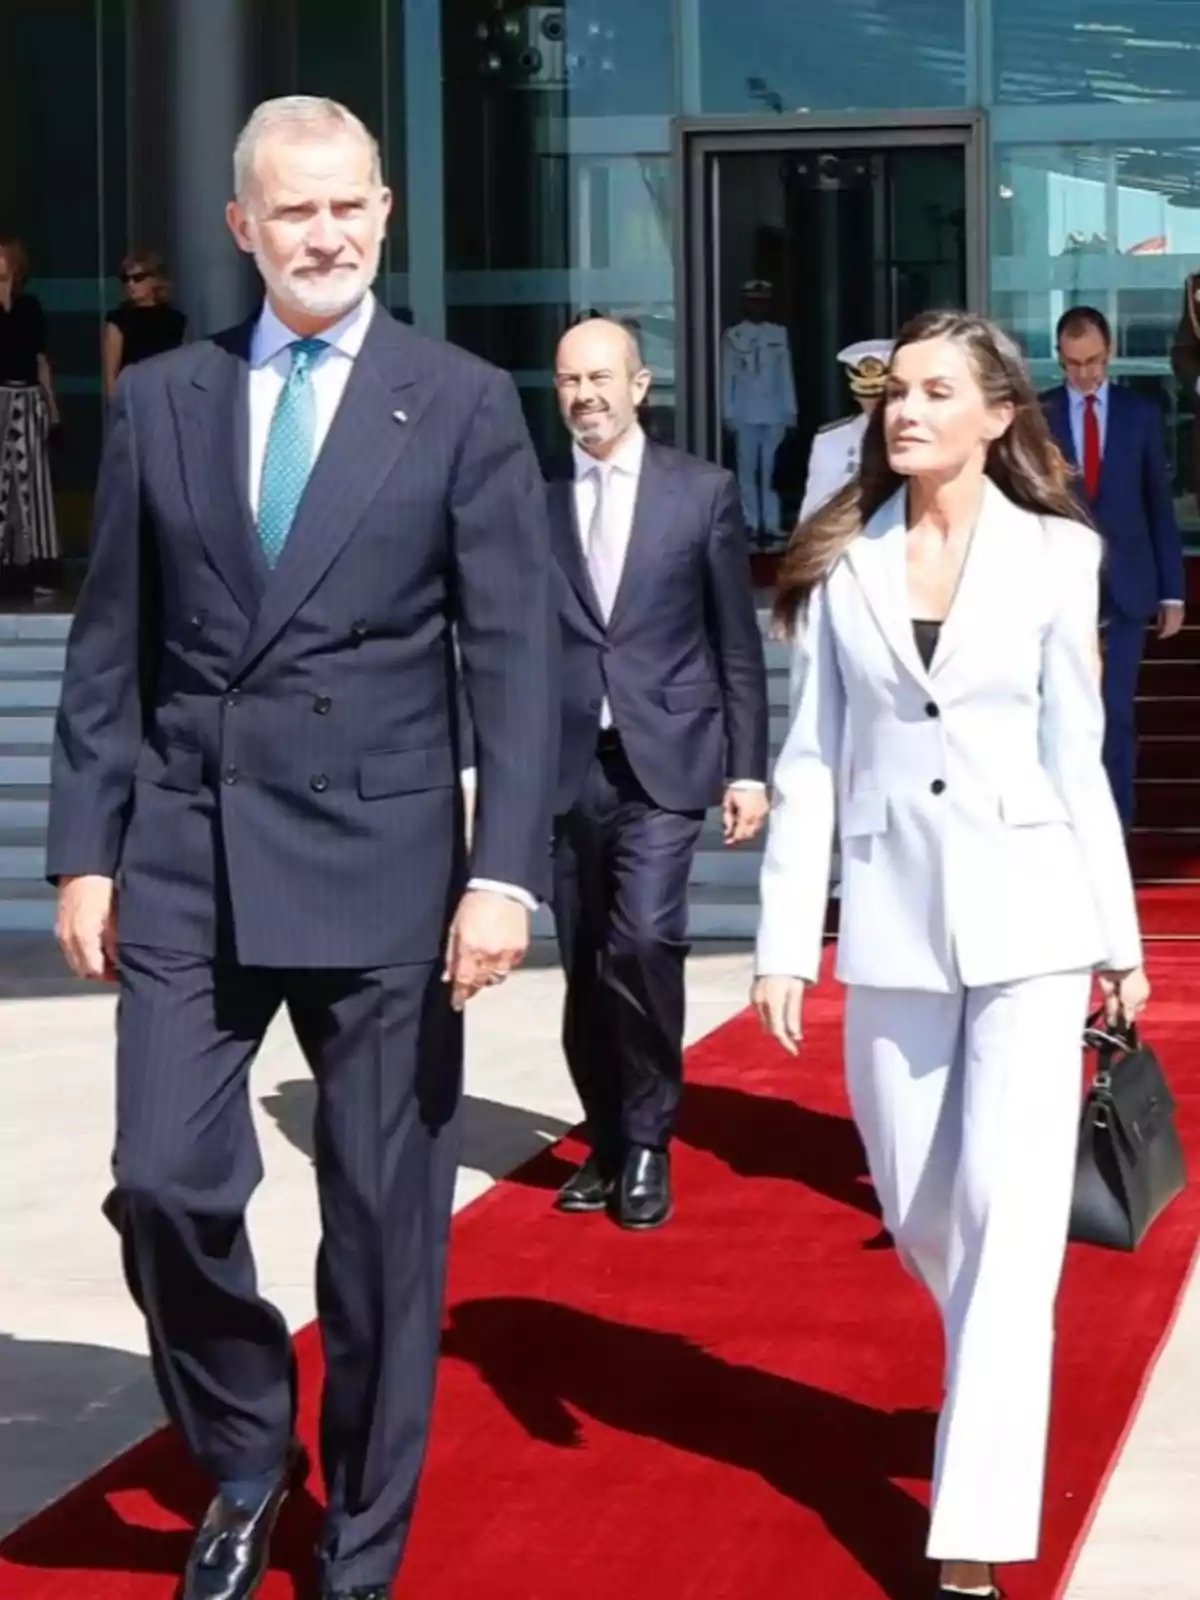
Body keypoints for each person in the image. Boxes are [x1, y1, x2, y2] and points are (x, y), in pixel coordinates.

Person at [47, 95, 556, 1600]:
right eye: (294, 210)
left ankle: (362, 1544)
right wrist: (87, 848)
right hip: (189, 852)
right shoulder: (165, 399)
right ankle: (245, 1448)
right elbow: (110, 642)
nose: (324, 235)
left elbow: (516, 656)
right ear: (242, 227)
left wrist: (502, 872)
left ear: (384, 214)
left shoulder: (459, 400)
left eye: (348, 207)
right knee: (163, 1182)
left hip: (387, 866)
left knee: (385, 1234)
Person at [752, 310, 1148, 1600]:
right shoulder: (843, 561)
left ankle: (971, 1532)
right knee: (924, 1210)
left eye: (935, 392)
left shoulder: (1058, 554)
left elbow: (1076, 755)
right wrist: (783, 941)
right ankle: (992, 1374)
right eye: (897, 394)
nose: (906, 411)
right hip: (891, 920)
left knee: (1011, 1221)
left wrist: (1118, 936)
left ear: (996, 414)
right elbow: (810, 760)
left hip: (1033, 918)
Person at [549, 316, 769, 1228]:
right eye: (570, 381)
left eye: (601, 378)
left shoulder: (700, 492)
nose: (585, 396)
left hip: (666, 761)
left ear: (640, 386)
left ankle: (647, 1139)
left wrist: (747, 769)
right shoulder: (531, 495)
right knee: (583, 961)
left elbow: (735, 641)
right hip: (565, 765)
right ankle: (604, 1138)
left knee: (642, 942)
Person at [1043, 305, 1184, 831]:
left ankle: (1115, 829)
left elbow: (1158, 504)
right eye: (1073, 363)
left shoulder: (1138, 413)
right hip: (1060, 590)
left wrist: (1172, 592)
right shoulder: (1039, 414)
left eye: (1094, 361)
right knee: (1064, 710)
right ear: (1059, 357)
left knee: (1117, 710)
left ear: (1111, 353)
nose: (1084, 373)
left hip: (1128, 585)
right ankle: (1066, 823)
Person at [0, 236, 62, 599]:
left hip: (27, 398)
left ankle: (38, 566)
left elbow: (40, 359)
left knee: (33, 485)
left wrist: (52, 410)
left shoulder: (30, 307)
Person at [721, 279, 797, 544]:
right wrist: (727, 412)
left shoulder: (778, 333)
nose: (757, 307)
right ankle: (751, 521)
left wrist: (790, 410)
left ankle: (772, 523)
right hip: (744, 411)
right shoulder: (734, 335)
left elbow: (785, 374)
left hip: (774, 411)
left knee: (769, 472)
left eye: (762, 302)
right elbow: (727, 376)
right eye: (753, 302)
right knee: (747, 470)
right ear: (745, 304)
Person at [798, 338, 893, 520]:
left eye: (882, 396)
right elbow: (814, 510)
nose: (874, 404)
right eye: (867, 395)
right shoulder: (831, 441)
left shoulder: (919, 436)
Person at [103, 250, 187, 399]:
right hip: (133, 398)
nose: (130, 284)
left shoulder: (176, 319)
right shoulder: (118, 320)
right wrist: (116, 406)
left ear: (155, 279)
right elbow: (110, 376)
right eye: (125, 279)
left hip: (169, 396)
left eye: (138, 278)